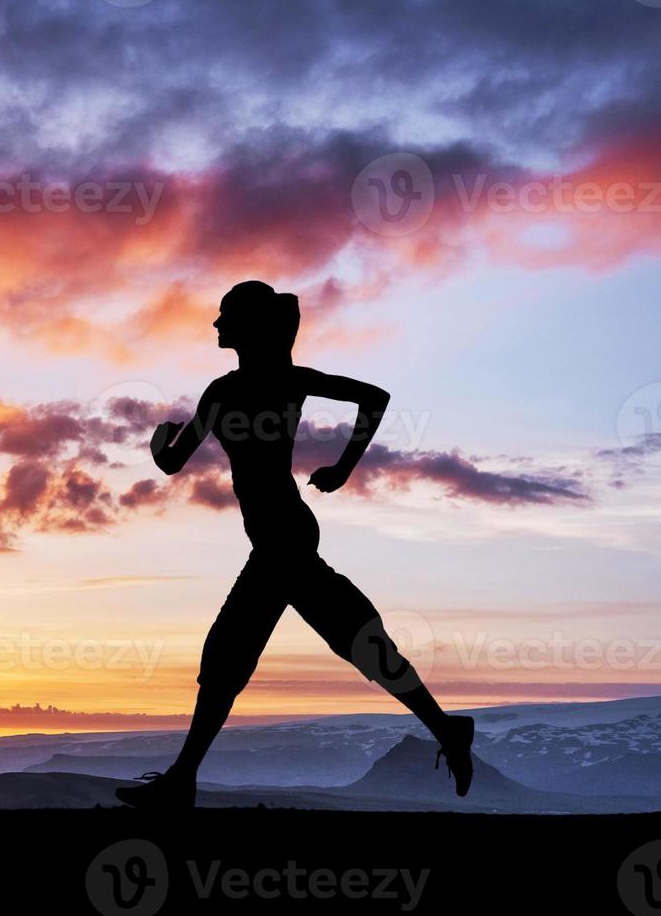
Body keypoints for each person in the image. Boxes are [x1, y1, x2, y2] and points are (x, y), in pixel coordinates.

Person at [118, 280, 474, 811]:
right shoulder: (274, 383)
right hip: (284, 534)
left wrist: (157, 441)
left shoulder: (232, 391)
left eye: (225, 317)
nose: (215, 326)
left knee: (227, 657)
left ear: (249, 326)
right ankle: (446, 728)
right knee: (351, 638)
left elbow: (171, 462)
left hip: (282, 536)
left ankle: (181, 782)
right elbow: (375, 399)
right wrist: (343, 468)